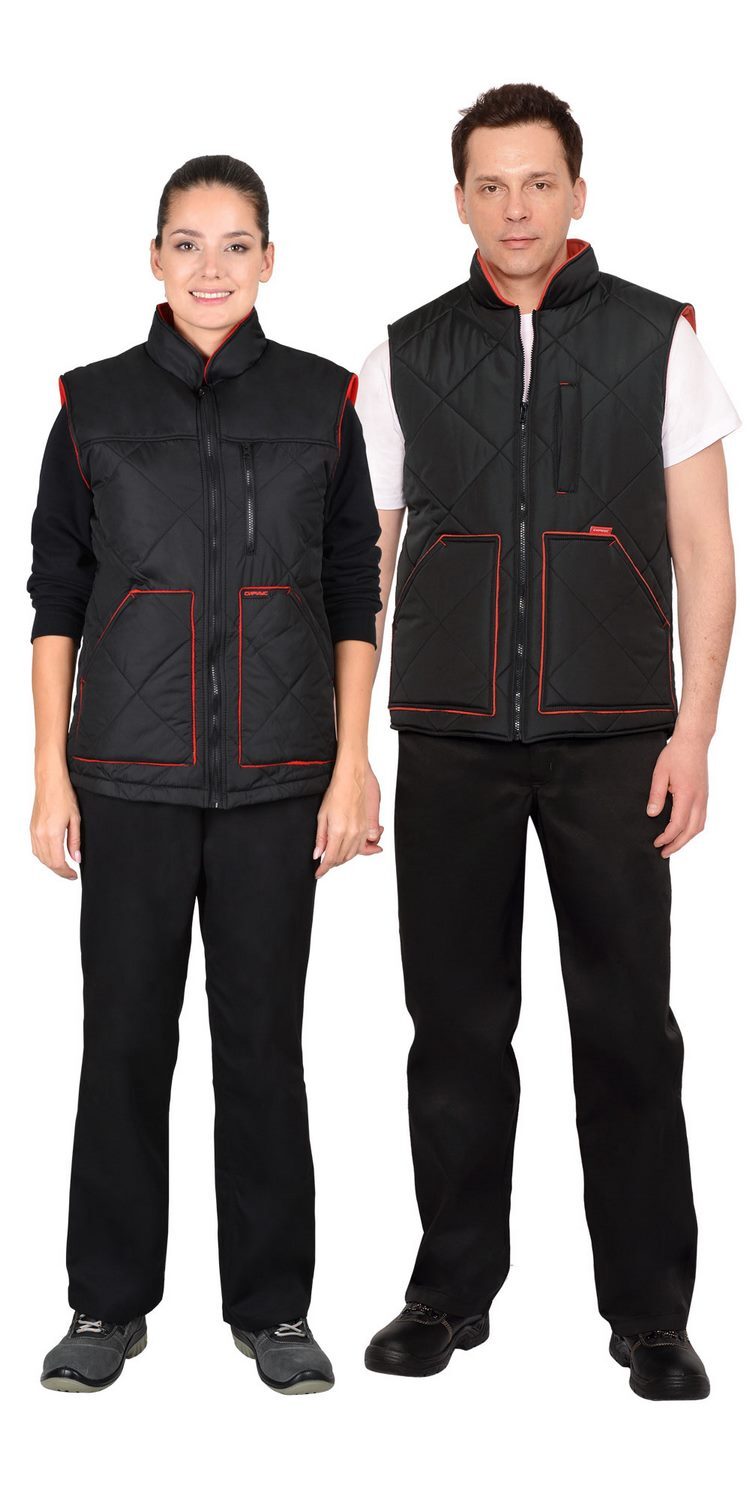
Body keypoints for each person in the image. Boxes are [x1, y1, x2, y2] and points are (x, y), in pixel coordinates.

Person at [356, 84, 739, 1399]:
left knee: (626, 1029)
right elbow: (366, 564)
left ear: (578, 191)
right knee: (454, 1030)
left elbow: (706, 552)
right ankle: (447, 1292)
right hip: (450, 735)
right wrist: (349, 748)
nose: (515, 208)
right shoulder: (404, 353)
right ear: (459, 200)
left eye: (538, 182)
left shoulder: (658, 339)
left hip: (615, 737)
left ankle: (650, 1315)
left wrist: (694, 732)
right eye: (490, 185)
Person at [27, 154, 383, 1395]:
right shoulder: (90, 404)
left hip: (280, 782)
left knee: (263, 1047)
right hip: (126, 779)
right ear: (155, 258)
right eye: (188, 243)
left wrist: (352, 765)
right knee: (123, 1042)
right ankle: (106, 1306)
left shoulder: (324, 402)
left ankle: (274, 1311)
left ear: (269, 260)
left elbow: (355, 591)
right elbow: (56, 597)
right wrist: (49, 774)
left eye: (236, 245)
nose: (212, 267)